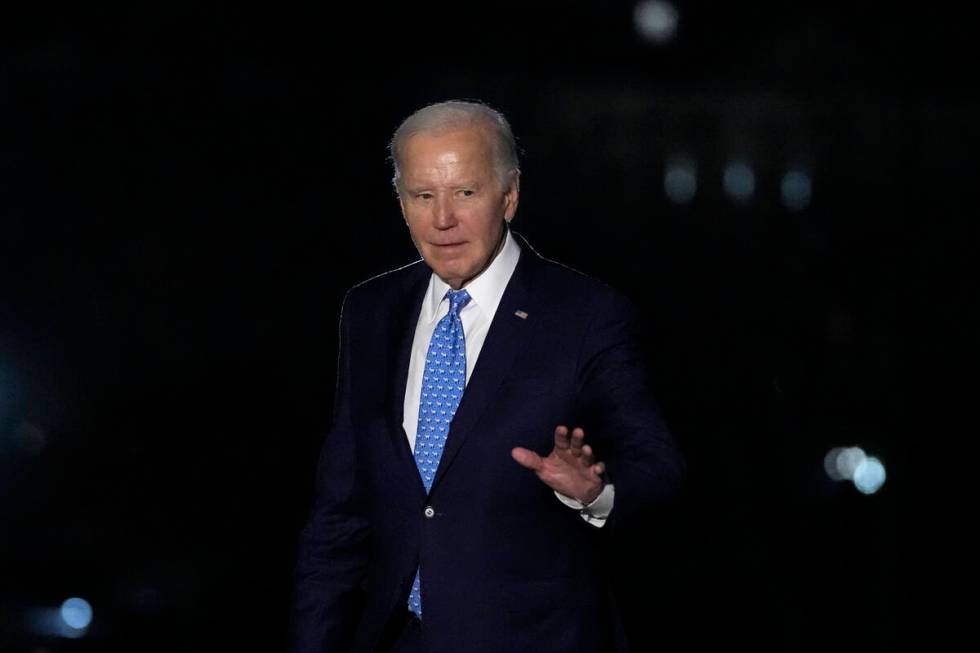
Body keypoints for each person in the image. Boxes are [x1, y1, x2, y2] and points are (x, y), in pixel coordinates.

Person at [290, 100, 684, 653]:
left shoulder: (586, 316)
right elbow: (340, 513)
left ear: (510, 194)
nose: (442, 218)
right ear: (401, 203)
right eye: (423, 196)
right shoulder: (371, 311)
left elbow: (659, 466)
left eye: (466, 193)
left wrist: (595, 493)